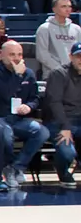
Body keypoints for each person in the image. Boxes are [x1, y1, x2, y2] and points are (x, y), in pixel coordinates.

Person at [0, 40, 49, 191]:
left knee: (42, 132)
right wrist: (18, 76)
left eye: (19, 54)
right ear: (2, 55)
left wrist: (28, 106)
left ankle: (16, 167)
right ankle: (6, 168)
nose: (17, 58)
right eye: (12, 55)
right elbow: (5, 94)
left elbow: (35, 98)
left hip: (19, 118)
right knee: (5, 134)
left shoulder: (29, 73)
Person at [45, 40, 81, 187]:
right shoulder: (58, 74)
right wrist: (65, 127)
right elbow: (55, 103)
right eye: (78, 56)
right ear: (71, 56)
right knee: (67, 152)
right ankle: (62, 171)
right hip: (59, 121)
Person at [35, 0, 81, 78]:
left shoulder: (77, 29)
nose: (68, 9)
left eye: (69, 6)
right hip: (53, 75)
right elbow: (42, 55)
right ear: (54, 9)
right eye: (63, 6)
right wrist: (61, 70)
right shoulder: (44, 28)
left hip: (74, 75)